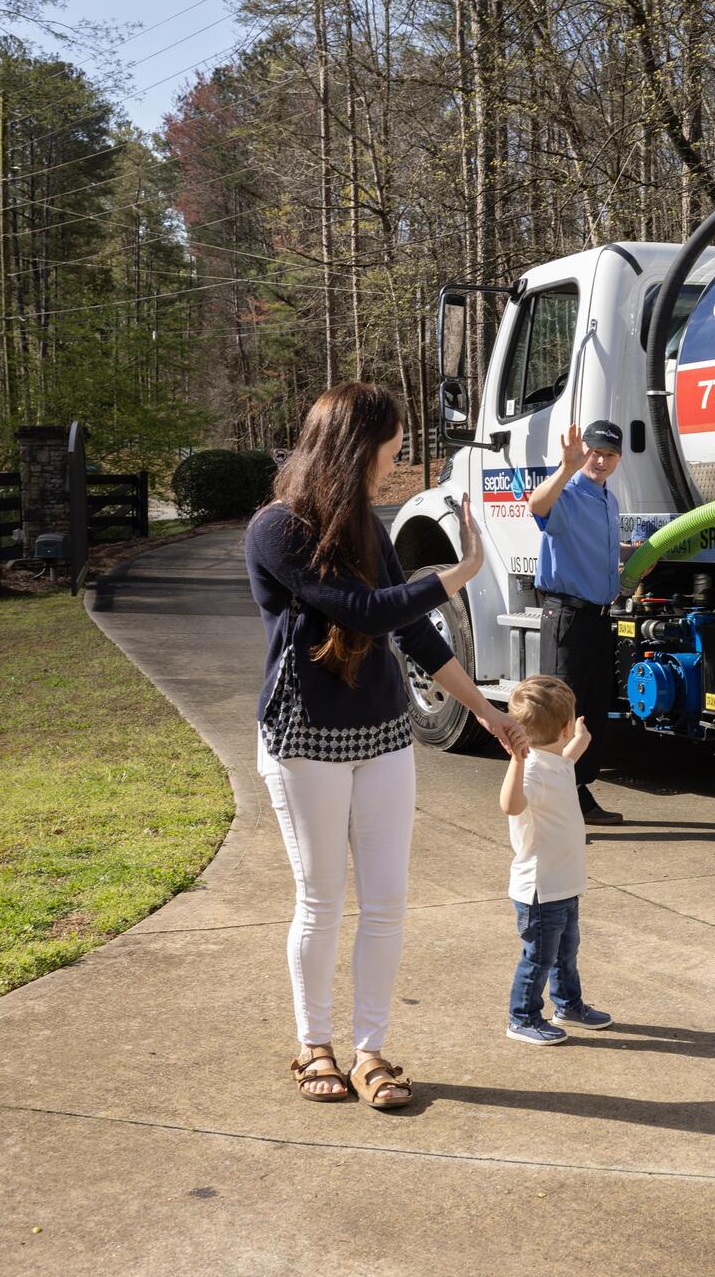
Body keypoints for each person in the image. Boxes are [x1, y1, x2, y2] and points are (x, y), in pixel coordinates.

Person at [246, 381, 528, 1108]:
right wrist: (455, 575)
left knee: (387, 901)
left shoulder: (369, 528)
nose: (391, 466)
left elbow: (412, 633)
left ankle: (370, 1051)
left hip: (383, 733)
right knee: (322, 899)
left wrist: (486, 711)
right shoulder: (276, 530)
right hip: (304, 736)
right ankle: (315, 1044)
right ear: (352, 449)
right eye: (388, 453)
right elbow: (362, 610)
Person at [498, 675, 613, 1045]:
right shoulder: (530, 770)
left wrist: (581, 741)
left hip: (563, 884)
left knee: (566, 951)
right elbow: (510, 805)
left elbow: (567, 760)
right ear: (564, 726)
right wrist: (516, 761)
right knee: (538, 958)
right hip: (539, 889)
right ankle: (522, 1017)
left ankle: (567, 1004)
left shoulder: (553, 760)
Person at [528, 419, 628, 826]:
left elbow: (597, 546)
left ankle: (577, 793)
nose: (600, 461)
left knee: (591, 712)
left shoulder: (608, 500)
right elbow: (536, 507)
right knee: (556, 714)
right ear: (582, 452)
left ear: (619, 459)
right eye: (594, 452)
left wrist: (629, 552)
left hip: (599, 619)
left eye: (609, 455)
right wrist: (566, 468)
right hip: (567, 616)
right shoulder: (567, 493)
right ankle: (543, 806)